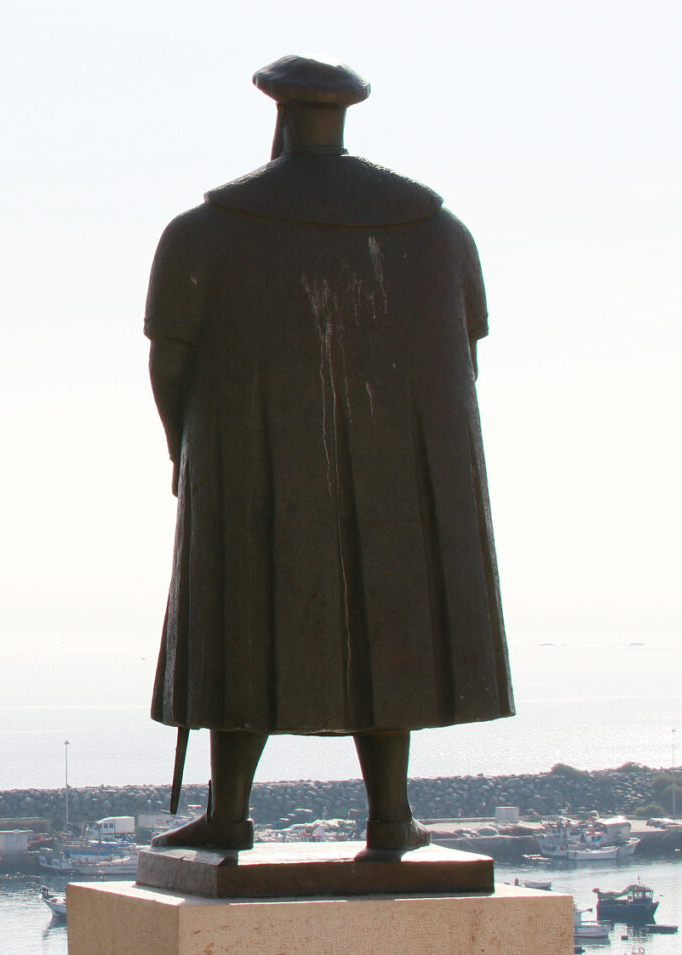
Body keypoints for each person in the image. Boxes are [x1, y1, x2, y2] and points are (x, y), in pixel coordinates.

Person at [144, 55, 513, 857]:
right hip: (398, 473)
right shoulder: (439, 233)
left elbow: (168, 364)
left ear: (276, 117)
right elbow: (463, 364)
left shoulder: (203, 231)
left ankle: (231, 811)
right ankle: (389, 817)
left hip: (245, 462)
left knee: (240, 621)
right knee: (386, 617)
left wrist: (187, 452)